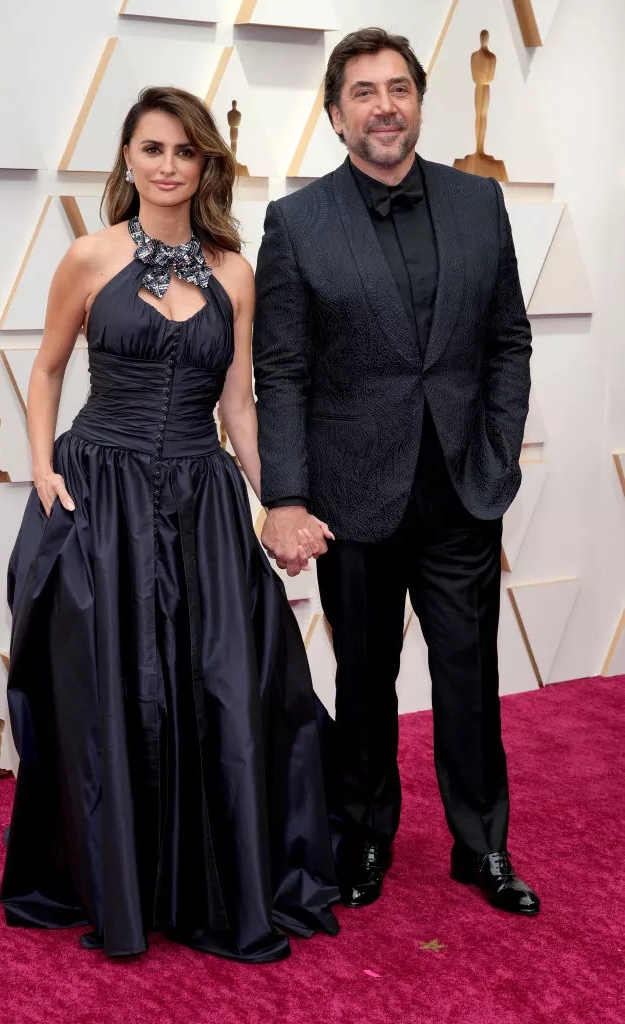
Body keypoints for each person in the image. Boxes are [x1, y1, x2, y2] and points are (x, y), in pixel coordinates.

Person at [0, 86, 339, 962]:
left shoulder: (234, 272)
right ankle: (115, 879)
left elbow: (240, 408)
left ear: (205, 164)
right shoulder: (88, 256)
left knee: (220, 685)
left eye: (185, 151)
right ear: (127, 157)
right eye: (152, 148)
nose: (167, 165)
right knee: (107, 696)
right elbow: (47, 370)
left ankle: (205, 878)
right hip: (99, 498)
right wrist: (40, 467)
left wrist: (280, 504)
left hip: (200, 500)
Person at [253, 28, 540, 916]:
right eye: (364, 92)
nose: (385, 106)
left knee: (470, 676)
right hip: (352, 496)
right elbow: (282, 371)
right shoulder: (298, 222)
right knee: (365, 680)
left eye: (399, 88)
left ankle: (482, 846)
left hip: (461, 490)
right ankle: (366, 835)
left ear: (419, 100)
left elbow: (508, 341)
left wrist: (497, 447)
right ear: (336, 116)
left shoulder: (478, 202)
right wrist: (287, 496)